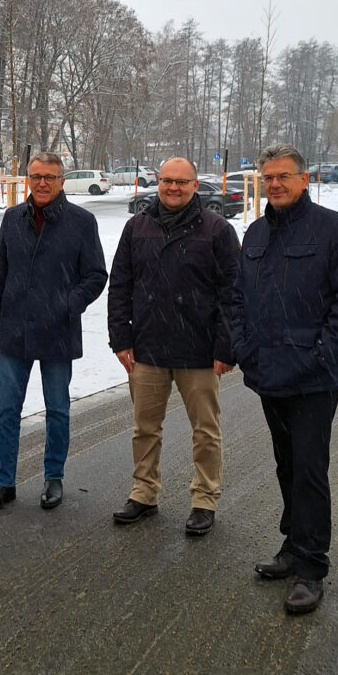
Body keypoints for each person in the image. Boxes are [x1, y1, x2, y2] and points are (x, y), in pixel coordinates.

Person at [226, 144, 338, 613]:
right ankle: (292, 545)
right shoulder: (255, 233)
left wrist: (323, 351)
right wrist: (244, 348)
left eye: (284, 176)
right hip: (268, 372)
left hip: (314, 379)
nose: (275, 184)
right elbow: (237, 299)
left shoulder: (332, 230)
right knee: (286, 464)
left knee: (309, 469)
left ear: (304, 180)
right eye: (268, 177)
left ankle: (311, 566)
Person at [108, 157, 239, 536]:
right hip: (147, 347)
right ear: (158, 183)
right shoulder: (137, 227)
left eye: (182, 182)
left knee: (205, 430)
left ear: (195, 186)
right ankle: (144, 492)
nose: (173, 188)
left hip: (200, 351)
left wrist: (226, 346)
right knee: (144, 428)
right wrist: (120, 337)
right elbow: (120, 286)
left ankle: (204, 499)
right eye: (167, 180)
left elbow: (233, 293)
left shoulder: (217, 230)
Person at [0, 152, 107, 513]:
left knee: (57, 410)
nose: (42, 183)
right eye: (36, 176)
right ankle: (4, 483)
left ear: (62, 181)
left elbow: (96, 275)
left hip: (58, 332)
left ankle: (54, 477)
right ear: (28, 180)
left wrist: (67, 303)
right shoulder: (12, 219)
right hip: (14, 330)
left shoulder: (81, 222)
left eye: (50, 177)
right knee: (6, 410)